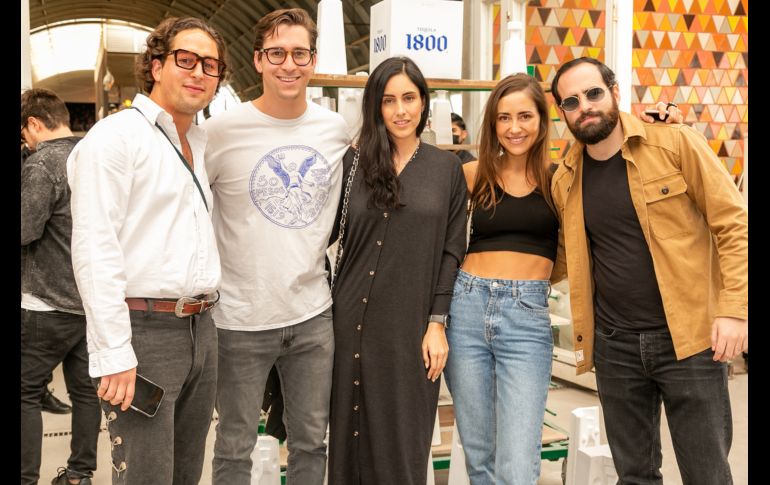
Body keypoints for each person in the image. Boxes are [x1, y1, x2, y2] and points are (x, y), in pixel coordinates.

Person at [550, 56, 747, 484]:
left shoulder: (674, 143)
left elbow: (734, 224)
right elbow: (561, 257)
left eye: (593, 93)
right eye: (571, 101)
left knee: (707, 473)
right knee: (634, 474)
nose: (585, 106)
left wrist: (734, 310)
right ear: (562, 113)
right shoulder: (565, 177)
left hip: (691, 341)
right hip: (615, 345)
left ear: (616, 92)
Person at [67, 17, 227, 484]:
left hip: (201, 327)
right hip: (145, 332)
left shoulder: (198, 141)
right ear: (156, 65)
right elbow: (95, 249)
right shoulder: (116, 139)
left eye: (211, 65)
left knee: (184, 473)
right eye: (186, 59)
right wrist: (114, 351)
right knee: (145, 475)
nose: (199, 72)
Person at [202, 8, 350, 485]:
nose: (289, 64)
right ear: (258, 59)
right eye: (277, 53)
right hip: (239, 320)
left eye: (299, 53)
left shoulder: (336, 130)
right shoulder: (220, 134)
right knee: (234, 447)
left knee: (311, 441)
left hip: (312, 316)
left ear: (312, 59)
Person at [328, 56, 468, 485]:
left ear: (424, 103)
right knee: (347, 439)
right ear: (376, 107)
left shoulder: (447, 169)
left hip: (411, 326)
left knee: (403, 442)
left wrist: (436, 323)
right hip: (349, 319)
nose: (400, 110)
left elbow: (451, 252)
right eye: (389, 101)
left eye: (409, 98)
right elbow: (322, 233)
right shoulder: (353, 165)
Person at [443, 73, 558, 485]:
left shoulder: (560, 179)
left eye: (525, 116)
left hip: (527, 317)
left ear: (542, 122)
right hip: (467, 306)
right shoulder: (472, 175)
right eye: (504, 118)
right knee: (480, 454)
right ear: (492, 123)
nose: (514, 128)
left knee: (517, 459)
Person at [21, 88, 101, 485]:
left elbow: (25, 229)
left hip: (46, 304)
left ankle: (26, 477)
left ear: (34, 123)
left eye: (25, 133)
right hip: (90, 301)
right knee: (86, 393)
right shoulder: (94, 157)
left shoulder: (42, 164)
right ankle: (79, 474)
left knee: (25, 392)